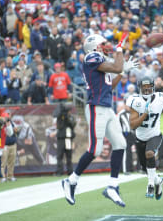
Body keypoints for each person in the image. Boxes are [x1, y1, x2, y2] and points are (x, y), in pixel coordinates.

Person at [62, 33, 138, 207]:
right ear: (93, 46)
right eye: (103, 43)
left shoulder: (100, 62)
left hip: (107, 107)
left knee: (120, 144)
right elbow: (117, 66)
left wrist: (122, 70)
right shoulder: (92, 56)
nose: (106, 46)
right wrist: (120, 48)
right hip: (96, 107)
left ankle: (112, 186)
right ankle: (71, 181)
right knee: (95, 150)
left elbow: (110, 85)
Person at [55, 104, 76, 176]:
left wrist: (67, 118)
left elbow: (72, 125)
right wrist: (62, 117)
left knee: (68, 156)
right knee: (59, 156)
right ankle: (59, 171)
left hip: (68, 139)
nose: (69, 112)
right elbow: (59, 126)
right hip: (61, 139)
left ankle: (70, 171)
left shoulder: (71, 118)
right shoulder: (60, 117)